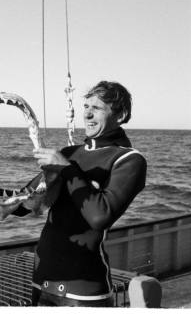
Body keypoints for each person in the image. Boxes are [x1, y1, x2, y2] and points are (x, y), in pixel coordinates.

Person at [31, 81, 147, 307]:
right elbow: (28, 203)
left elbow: (100, 216)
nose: (88, 114)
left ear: (120, 115)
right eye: (86, 107)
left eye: (98, 108)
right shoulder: (68, 153)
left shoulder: (129, 160)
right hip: (41, 279)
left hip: (84, 294)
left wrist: (66, 169)